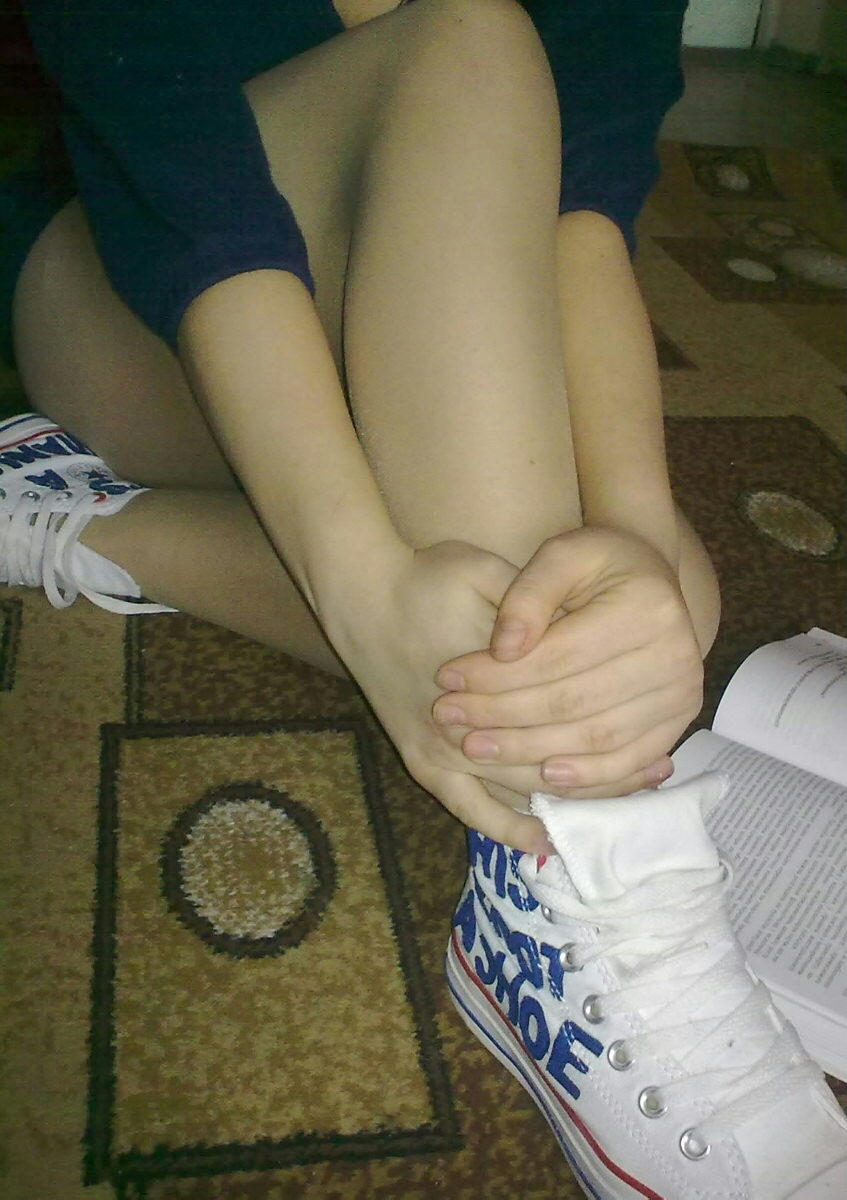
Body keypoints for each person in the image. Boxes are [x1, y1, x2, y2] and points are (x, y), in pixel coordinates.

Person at [4, 5, 847, 1196]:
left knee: (669, 602)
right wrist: (361, 586)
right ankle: (561, 864)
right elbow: (195, 212)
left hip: (401, 309)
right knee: (465, 45)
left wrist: (637, 535)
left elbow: (584, 216)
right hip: (143, 303)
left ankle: (85, 524)